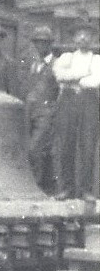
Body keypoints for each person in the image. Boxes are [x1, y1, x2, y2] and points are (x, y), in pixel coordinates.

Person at [49, 25, 99, 200]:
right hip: (68, 102)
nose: (83, 38)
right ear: (74, 38)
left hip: (89, 102)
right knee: (66, 145)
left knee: (88, 146)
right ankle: (67, 189)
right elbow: (59, 76)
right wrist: (83, 74)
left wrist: (72, 76)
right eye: (80, 34)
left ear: (93, 38)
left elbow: (94, 82)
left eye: (87, 35)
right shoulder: (66, 57)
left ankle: (86, 190)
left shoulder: (97, 60)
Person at [21, 25, 60, 193]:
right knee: (30, 149)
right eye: (37, 42)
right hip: (30, 112)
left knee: (35, 149)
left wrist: (52, 112)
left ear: (50, 44)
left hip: (47, 114)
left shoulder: (57, 65)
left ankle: (37, 187)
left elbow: (60, 92)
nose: (40, 46)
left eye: (44, 43)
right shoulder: (33, 64)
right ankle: (37, 185)